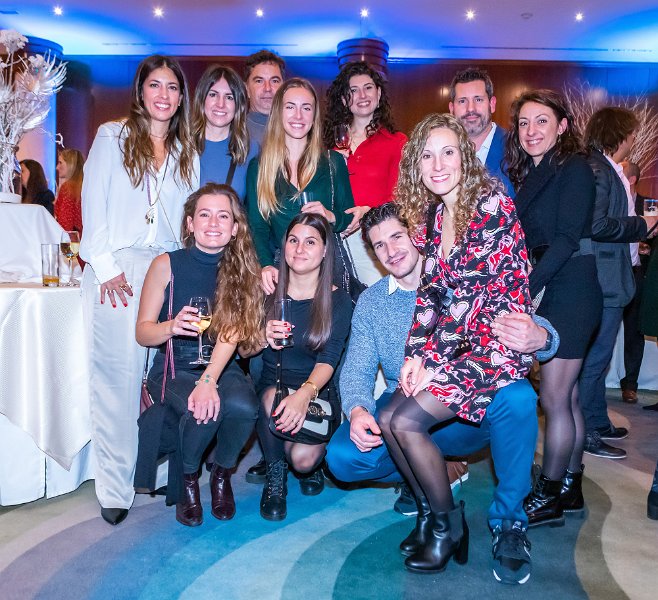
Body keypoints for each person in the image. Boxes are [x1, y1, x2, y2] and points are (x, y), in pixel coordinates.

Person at [326, 202, 559, 585]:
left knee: (517, 397)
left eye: (397, 237)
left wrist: (543, 337)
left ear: (418, 235)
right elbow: (356, 369)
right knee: (342, 457)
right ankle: (431, 495)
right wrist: (356, 410)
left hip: (467, 412)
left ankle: (509, 522)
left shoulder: (457, 274)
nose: (391, 251)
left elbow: (524, 318)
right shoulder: (372, 301)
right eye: (379, 245)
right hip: (405, 405)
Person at [379, 113, 533, 575]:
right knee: (387, 418)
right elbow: (431, 294)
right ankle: (430, 513)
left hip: (493, 346)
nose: (438, 164)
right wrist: (413, 355)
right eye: (427, 155)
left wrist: (430, 361)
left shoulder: (491, 206)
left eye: (448, 152)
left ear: (465, 157)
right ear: (416, 165)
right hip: (456, 346)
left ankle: (449, 527)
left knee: (405, 421)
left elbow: (470, 302)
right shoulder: (434, 215)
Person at [79, 54, 197, 526]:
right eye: (155, 85)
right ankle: (114, 486)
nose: (164, 95)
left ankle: (155, 467)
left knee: (161, 377)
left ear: (181, 97)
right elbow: (93, 205)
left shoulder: (185, 150)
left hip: (165, 267)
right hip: (118, 268)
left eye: (172, 87)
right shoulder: (113, 136)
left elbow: (186, 221)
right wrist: (106, 268)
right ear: (140, 91)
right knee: (117, 378)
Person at [135, 183, 263, 526]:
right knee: (203, 410)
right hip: (174, 365)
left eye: (223, 216)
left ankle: (221, 473)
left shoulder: (244, 270)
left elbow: (234, 336)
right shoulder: (166, 264)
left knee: (244, 407)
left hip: (221, 363)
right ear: (190, 224)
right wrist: (171, 326)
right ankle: (188, 480)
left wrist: (209, 380)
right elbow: (143, 332)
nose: (213, 223)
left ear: (235, 228)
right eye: (204, 214)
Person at [504, 89, 603, 527]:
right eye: (524, 122)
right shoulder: (537, 170)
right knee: (569, 396)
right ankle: (570, 486)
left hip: (571, 286)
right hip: (557, 281)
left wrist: (525, 289)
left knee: (554, 397)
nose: (531, 131)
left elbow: (565, 239)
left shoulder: (574, 167)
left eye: (541, 121)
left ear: (562, 125)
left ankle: (547, 494)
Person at [248, 212, 352, 521]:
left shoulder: (338, 300)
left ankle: (296, 455)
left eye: (310, 242)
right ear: (284, 246)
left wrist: (304, 395)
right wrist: (262, 336)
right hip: (273, 386)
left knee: (304, 461)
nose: (300, 249)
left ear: (325, 250)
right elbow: (242, 351)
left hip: (316, 391)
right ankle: (275, 475)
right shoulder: (268, 291)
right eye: (293, 240)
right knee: (271, 398)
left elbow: (329, 358)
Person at [579, 107, 658, 459]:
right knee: (594, 359)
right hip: (603, 278)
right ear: (620, 134)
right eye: (632, 133)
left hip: (611, 277)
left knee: (601, 357)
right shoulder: (598, 169)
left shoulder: (606, 167)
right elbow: (596, 226)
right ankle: (585, 433)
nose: (634, 139)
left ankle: (597, 421)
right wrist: (641, 225)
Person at [246, 77, 354, 295]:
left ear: (314, 116)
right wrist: (265, 264)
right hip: (282, 271)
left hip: (328, 269)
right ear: (278, 113)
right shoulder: (260, 167)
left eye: (306, 108)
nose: (298, 115)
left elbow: (349, 216)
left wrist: (331, 216)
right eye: (290, 107)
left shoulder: (333, 162)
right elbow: (257, 227)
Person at [322, 60, 407, 286]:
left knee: (377, 298)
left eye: (368, 88)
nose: (362, 95)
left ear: (378, 94)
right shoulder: (329, 146)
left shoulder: (397, 142)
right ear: (344, 99)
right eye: (353, 90)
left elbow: (400, 196)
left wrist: (368, 211)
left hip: (376, 237)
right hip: (336, 237)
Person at [192, 65, 257, 201]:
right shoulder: (182, 146)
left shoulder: (251, 150)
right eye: (213, 95)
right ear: (201, 99)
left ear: (239, 105)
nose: (220, 104)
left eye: (229, 97)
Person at [448, 67, 512, 194]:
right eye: (462, 101)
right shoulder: (443, 154)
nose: (470, 109)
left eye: (478, 99)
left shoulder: (516, 148)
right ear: (451, 108)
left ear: (492, 104)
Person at [619, 161, 651, 404]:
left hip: (637, 273)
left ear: (631, 179)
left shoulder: (649, 205)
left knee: (633, 330)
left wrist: (646, 246)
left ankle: (630, 385)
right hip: (613, 271)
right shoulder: (612, 201)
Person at [244, 50, 285, 147]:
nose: (267, 88)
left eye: (274, 81)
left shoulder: (298, 132)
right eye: (259, 81)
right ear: (247, 89)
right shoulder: (233, 133)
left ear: (284, 88)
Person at [54, 148, 84, 233]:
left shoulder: (67, 188)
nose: (57, 167)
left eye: (60, 163)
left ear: (71, 164)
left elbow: (65, 224)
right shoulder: (84, 186)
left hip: (71, 239)